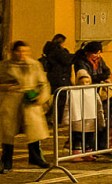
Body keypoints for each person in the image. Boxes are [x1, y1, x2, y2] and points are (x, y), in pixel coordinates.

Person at [0, 41, 49, 172]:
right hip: (11, 101)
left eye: (25, 51)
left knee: (34, 132)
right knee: (8, 133)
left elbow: (43, 83)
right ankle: (6, 160)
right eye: (19, 51)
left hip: (30, 101)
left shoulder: (34, 65)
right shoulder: (5, 66)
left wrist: (41, 97)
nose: (22, 54)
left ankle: (36, 157)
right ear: (13, 52)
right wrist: (5, 87)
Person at [41, 34, 72, 122]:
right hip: (61, 78)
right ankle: (56, 119)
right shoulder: (58, 51)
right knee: (60, 99)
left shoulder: (49, 50)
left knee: (54, 99)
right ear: (62, 42)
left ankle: (51, 117)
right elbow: (67, 60)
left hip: (53, 77)